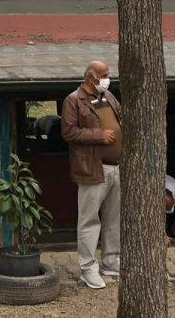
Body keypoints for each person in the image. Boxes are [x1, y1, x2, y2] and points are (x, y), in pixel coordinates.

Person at [61, 60, 121, 289]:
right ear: (90, 77)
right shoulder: (73, 100)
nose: (107, 79)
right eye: (103, 75)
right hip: (93, 168)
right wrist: (99, 135)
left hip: (117, 167)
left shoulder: (109, 96)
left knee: (113, 219)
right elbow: (69, 132)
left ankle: (111, 262)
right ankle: (88, 269)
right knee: (89, 220)